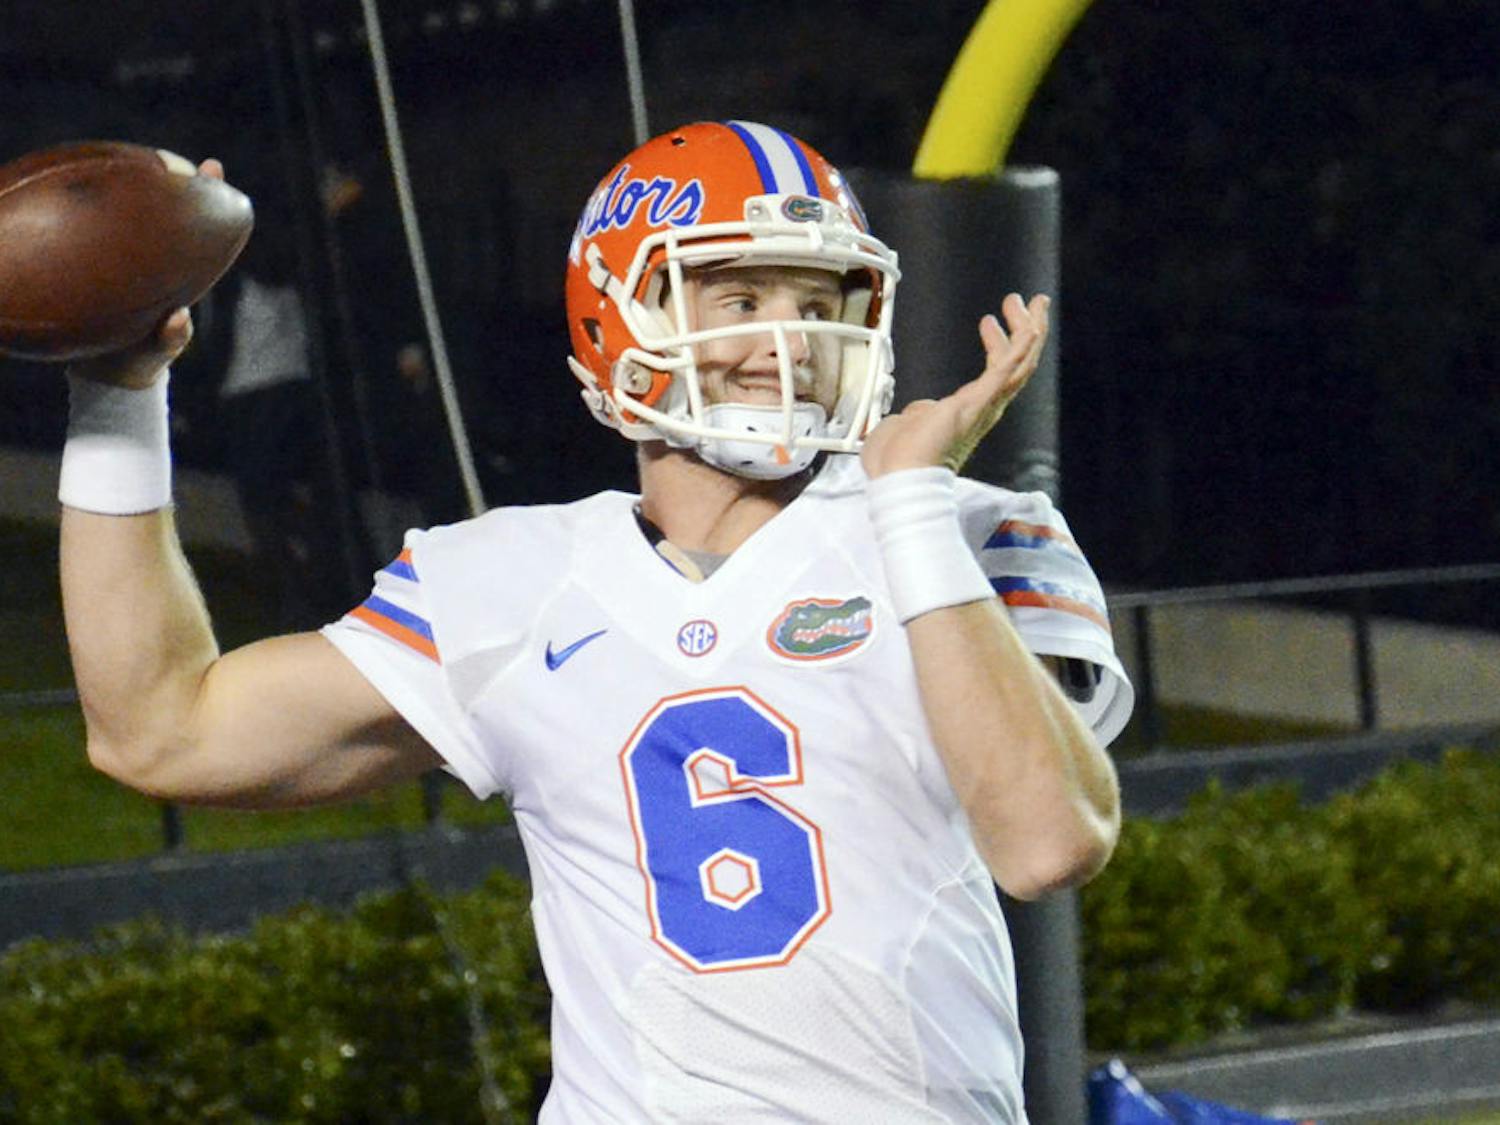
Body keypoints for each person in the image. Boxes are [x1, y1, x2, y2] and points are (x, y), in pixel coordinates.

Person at [58, 121, 1132, 1122]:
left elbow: (1049, 842)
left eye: (817, 295)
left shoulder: (968, 532)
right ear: (624, 318)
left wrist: (909, 509)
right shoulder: (507, 582)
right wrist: (119, 388)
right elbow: (159, 729)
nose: (788, 338)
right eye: (737, 293)